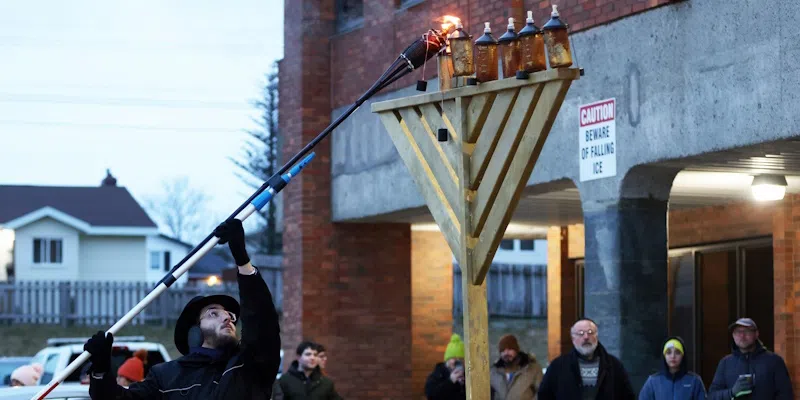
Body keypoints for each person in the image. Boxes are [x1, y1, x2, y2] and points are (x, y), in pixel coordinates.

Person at [84, 218, 281, 399]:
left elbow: (262, 323)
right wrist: (101, 369)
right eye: (214, 313)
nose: (228, 318)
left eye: (230, 315)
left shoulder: (249, 363)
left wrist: (242, 261)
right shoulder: (165, 377)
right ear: (193, 333)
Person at [537, 318, 635, 400]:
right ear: (573, 338)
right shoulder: (558, 366)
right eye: (580, 333)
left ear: (597, 336)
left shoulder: (613, 365)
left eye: (590, 332)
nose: (586, 337)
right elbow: (544, 396)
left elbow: (627, 396)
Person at [708, 318, 794, 400]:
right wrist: (732, 392)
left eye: (747, 331)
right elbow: (712, 396)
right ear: (733, 336)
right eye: (738, 332)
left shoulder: (774, 361)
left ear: (756, 334)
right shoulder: (725, 363)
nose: (742, 335)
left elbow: (785, 395)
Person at [638, 336, 706, 400]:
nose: (673, 356)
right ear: (664, 356)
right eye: (668, 352)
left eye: (677, 352)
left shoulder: (695, 381)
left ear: (683, 356)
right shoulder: (652, 382)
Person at [490, 334, 544, 400]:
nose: (506, 353)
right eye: (503, 350)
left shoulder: (532, 369)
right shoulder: (493, 372)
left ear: (516, 350)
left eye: (509, 349)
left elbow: (542, 392)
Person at [425, 333, 466, 400]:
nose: (458, 361)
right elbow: (431, 395)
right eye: (454, 358)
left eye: (461, 359)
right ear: (447, 360)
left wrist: (464, 385)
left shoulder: (468, 375)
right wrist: (450, 381)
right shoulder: (437, 374)